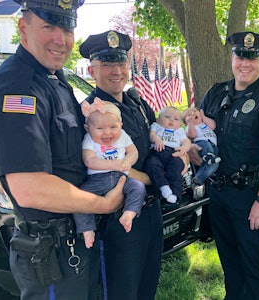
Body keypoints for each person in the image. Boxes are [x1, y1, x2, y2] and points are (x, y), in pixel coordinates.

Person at [0, 1, 125, 299]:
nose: (61, 39)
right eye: (49, 26)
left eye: (67, 27)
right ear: (23, 28)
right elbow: (31, 189)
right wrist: (104, 205)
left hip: (74, 239)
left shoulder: (54, 80)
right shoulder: (17, 88)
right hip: (51, 251)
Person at [190, 31, 259, 299]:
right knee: (230, 263)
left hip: (249, 195)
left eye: (252, 57)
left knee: (254, 264)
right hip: (218, 193)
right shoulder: (216, 92)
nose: (245, 63)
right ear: (232, 58)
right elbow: (200, 131)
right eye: (240, 56)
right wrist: (196, 152)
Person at [79, 30, 166, 300]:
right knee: (121, 291)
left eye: (120, 63)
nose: (116, 71)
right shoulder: (91, 112)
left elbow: (154, 147)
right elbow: (101, 165)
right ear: (92, 71)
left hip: (150, 211)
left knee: (146, 287)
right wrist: (152, 178)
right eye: (107, 64)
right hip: (117, 218)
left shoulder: (137, 104)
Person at [74, 98, 145, 248]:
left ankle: (129, 214)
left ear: (121, 125)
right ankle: (87, 229)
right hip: (97, 179)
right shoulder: (88, 140)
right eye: (99, 129)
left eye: (113, 127)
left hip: (122, 177)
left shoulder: (123, 136)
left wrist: (127, 162)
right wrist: (112, 164)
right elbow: (89, 160)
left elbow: (133, 152)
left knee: (138, 187)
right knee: (79, 199)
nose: (107, 132)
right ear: (88, 129)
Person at [145, 106, 191, 205]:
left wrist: (183, 149)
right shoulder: (156, 126)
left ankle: (175, 194)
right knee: (151, 164)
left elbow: (187, 142)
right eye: (167, 117)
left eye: (176, 119)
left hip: (173, 153)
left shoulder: (179, 131)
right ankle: (164, 187)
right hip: (157, 151)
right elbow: (151, 135)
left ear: (180, 124)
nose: (171, 120)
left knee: (177, 167)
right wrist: (156, 139)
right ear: (158, 119)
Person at [182, 106, 220, 185]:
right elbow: (192, 135)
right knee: (205, 144)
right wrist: (190, 123)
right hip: (201, 144)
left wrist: (203, 117)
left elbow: (213, 126)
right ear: (186, 123)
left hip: (213, 146)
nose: (193, 114)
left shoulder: (204, 124)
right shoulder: (190, 127)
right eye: (189, 115)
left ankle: (198, 179)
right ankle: (207, 156)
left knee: (215, 165)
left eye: (195, 111)